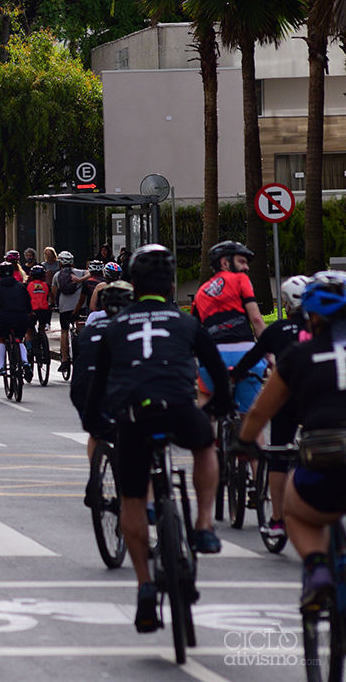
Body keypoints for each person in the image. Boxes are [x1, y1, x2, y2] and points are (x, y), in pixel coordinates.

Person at [83, 244, 234, 633]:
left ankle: (145, 587)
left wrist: (96, 423)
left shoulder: (116, 324)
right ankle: (203, 525)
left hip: (134, 415)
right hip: (180, 408)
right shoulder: (185, 322)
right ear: (170, 283)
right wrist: (222, 405)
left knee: (132, 500)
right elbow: (216, 368)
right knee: (204, 446)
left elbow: (99, 385)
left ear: (133, 283)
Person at [236, 271, 346, 610]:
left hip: (324, 453)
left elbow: (259, 413)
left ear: (312, 316)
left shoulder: (298, 356)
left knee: (297, 513)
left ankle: (316, 569)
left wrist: (243, 444)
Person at [230, 275, 309, 542]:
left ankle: (277, 520)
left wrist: (235, 374)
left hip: (285, 397)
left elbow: (252, 358)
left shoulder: (278, 331)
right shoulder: (326, 332)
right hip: (318, 399)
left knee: (278, 453)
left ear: (286, 304)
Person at [192, 240, 267, 431]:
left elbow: (195, 332)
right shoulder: (240, 280)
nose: (246, 267)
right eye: (242, 261)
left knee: (205, 399)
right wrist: (272, 353)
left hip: (213, 358)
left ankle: (208, 448)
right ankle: (254, 460)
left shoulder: (201, 292)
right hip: (246, 355)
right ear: (225, 263)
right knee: (250, 418)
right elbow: (257, 321)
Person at [70, 281, 134, 504]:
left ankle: (95, 477)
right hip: (116, 388)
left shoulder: (89, 329)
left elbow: (79, 357)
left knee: (97, 433)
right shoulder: (132, 328)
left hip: (82, 390)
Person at [0, 260, 33, 380]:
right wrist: (30, 313)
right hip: (21, 317)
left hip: (6, 317)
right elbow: (28, 302)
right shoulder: (21, 286)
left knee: (0, 338)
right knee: (20, 340)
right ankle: (25, 362)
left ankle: (1, 366)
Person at [52, 250, 89, 375]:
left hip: (64, 307)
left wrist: (52, 304)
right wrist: (80, 280)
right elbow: (91, 273)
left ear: (60, 263)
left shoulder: (57, 276)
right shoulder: (80, 272)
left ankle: (64, 361)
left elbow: (53, 292)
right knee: (80, 327)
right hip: (79, 306)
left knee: (64, 331)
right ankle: (84, 353)